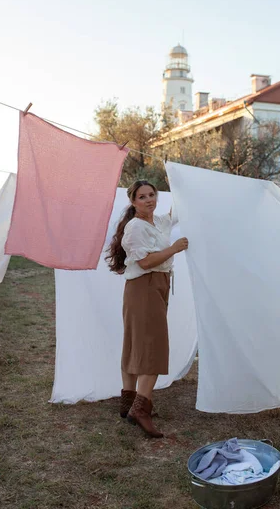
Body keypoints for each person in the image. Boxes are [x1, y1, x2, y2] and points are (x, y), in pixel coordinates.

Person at [106, 180, 188, 438]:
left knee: (136, 344)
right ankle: (140, 409)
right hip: (144, 287)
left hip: (154, 286)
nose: (149, 199)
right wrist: (173, 248)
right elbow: (144, 262)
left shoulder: (158, 222)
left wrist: (185, 184)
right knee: (151, 347)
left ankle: (128, 402)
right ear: (133, 201)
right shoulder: (135, 227)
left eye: (152, 194)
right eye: (142, 197)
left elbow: (177, 213)